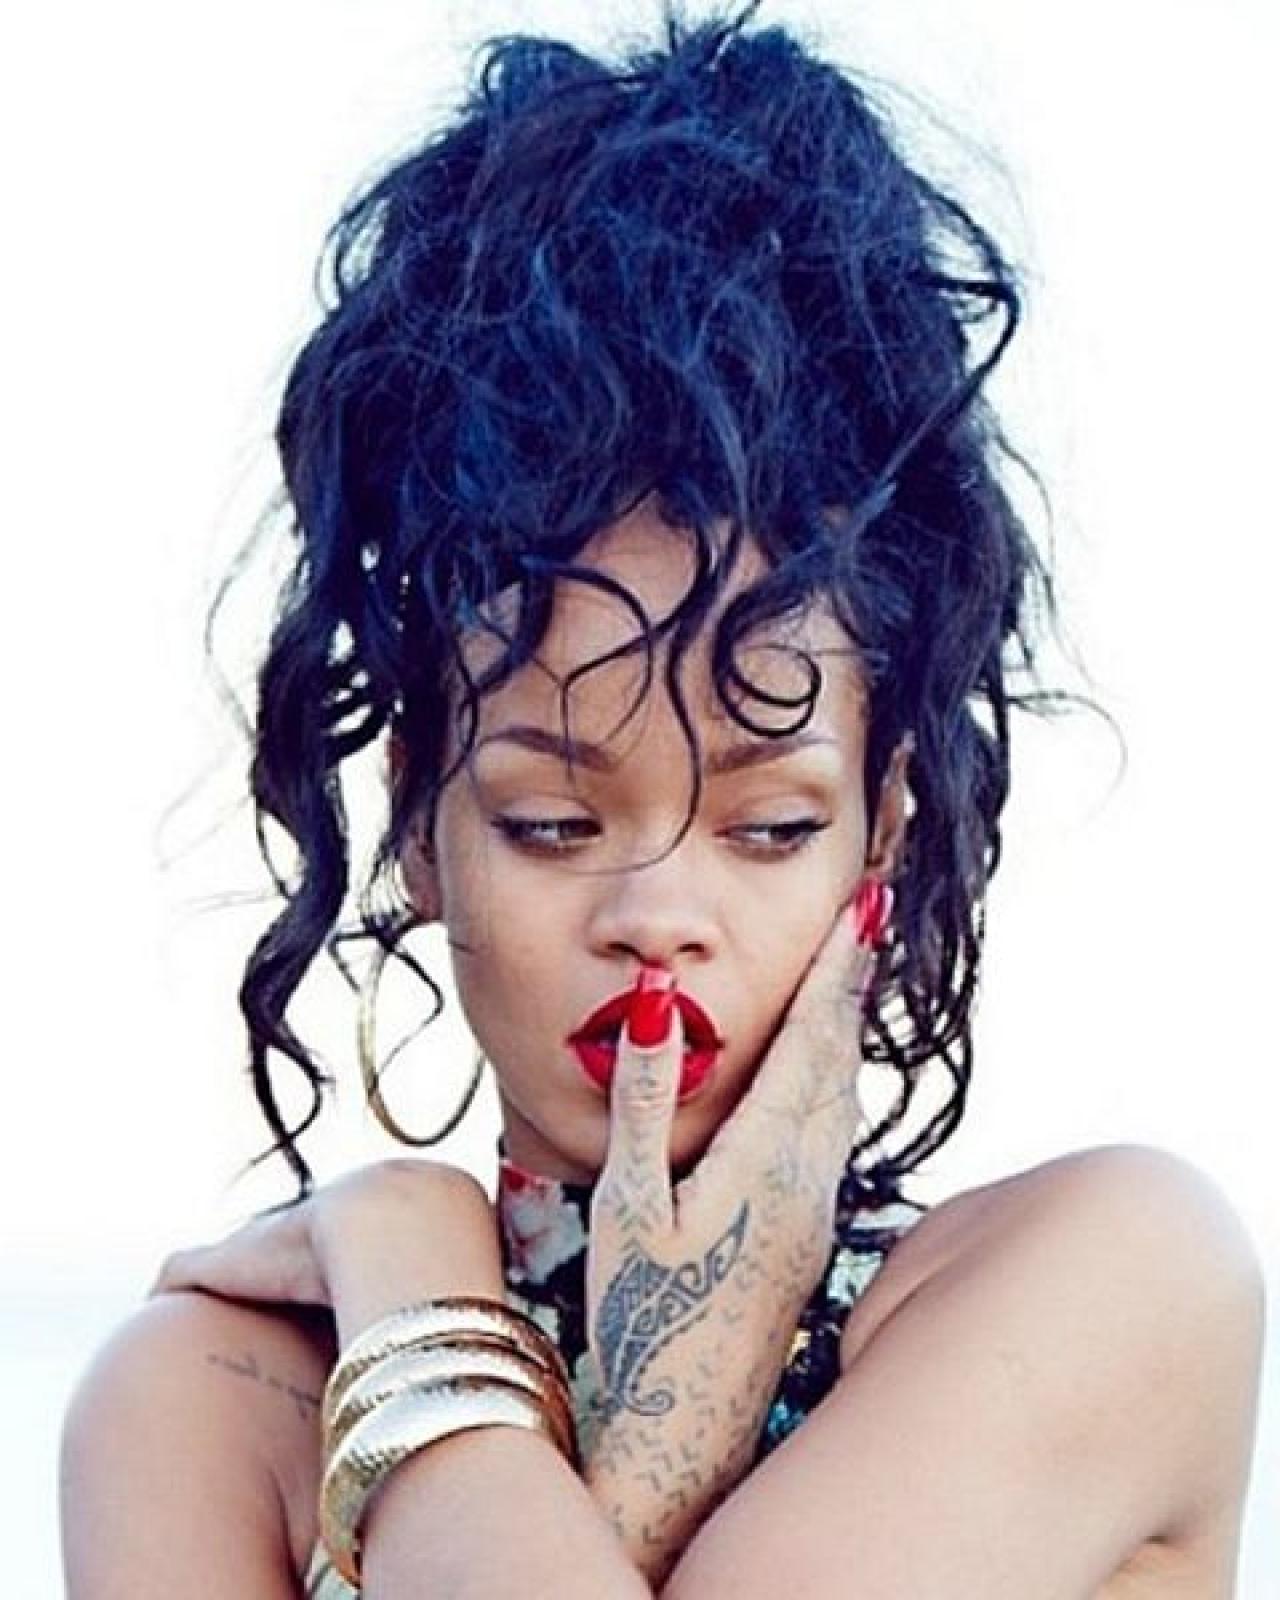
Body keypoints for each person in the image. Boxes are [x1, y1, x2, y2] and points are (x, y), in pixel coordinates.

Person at [59, 7, 1264, 1596]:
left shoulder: (1109, 1284)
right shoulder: (213, 1408)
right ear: (419, 827)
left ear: (883, 832)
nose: (659, 919)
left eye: (770, 826)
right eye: (552, 824)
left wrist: (415, 1280)